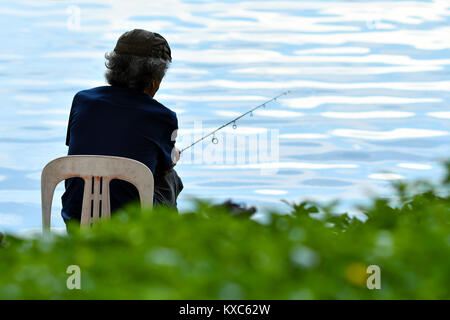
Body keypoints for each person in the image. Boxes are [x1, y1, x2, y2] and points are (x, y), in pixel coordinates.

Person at [61, 29, 183, 226]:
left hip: (76, 218)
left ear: (114, 67)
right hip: (130, 227)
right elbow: (163, 168)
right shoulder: (163, 117)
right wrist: (172, 159)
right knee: (170, 178)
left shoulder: (82, 100)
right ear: (154, 79)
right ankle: (164, 247)